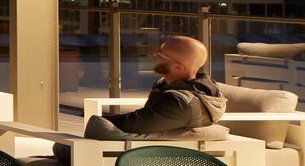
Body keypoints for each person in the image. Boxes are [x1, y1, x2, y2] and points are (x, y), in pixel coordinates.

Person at [82, 35, 224, 139]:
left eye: (161, 56)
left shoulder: (181, 102)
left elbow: (136, 124)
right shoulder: (170, 87)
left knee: (92, 130)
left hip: (160, 154)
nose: (155, 57)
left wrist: (102, 120)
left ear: (178, 67)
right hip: (154, 146)